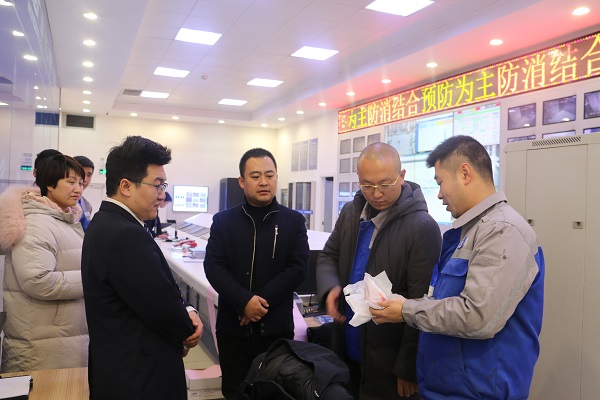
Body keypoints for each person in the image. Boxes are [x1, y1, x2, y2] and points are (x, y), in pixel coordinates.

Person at [370, 135, 545, 400]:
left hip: (480, 393)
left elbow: (477, 316)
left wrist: (406, 310)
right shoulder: (468, 233)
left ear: (465, 173)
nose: (439, 194)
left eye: (440, 182)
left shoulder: (503, 230)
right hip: (448, 388)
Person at [317, 142, 442, 400]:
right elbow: (329, 255)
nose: (376, 194)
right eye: (367, 185)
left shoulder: (421, 227)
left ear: (402, 176)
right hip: (347, 345)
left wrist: (408, 367)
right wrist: (330, 287)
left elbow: (423, 302)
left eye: (385, 184)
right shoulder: (351, 213)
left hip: (388, 358)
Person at [81, 136, 203, 399]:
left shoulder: (105, 223)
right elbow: (161, 306)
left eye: (163, 186)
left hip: (120, 368)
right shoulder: (125, 234)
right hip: (139, 377)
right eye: (157, 185)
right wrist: (187, 324)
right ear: (126, 186)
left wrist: (186, 309)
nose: (162, 195)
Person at [204, 148, 310, 399]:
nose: (264, 182)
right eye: (255, 176)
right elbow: (214, 266)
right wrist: (243, 301)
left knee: (275, 393)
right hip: (233, 331)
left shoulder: (293, 221)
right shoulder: (223, 221)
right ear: (242, 181)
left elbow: (297, 268)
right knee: (236, 391)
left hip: (276, 330)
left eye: (269, 175)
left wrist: (258, 303)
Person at [0, 154, 88, 372]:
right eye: (70, 182)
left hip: (58, 340)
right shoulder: (37, 223)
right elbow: (38, 280)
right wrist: (92, 279)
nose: (78, 189)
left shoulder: (64, 220)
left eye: (80, 182)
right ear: (49, 184)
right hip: (41, 348)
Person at [74, 155, 95, 231]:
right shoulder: (59, 202)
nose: (85, 179)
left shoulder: (87, 206)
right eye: (81, 173)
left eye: (89, 175)